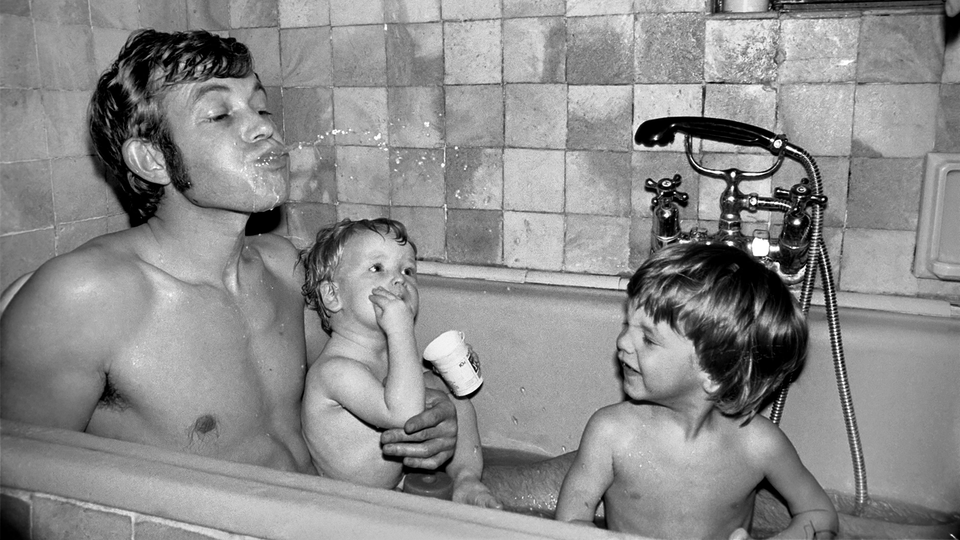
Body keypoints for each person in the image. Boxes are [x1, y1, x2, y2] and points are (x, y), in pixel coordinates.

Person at [0, 29, 459, 483]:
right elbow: (19, 490)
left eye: (260, 107)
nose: (266, 126)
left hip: (320, 510)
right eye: (219, 114)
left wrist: (433, 413)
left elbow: (362, 371)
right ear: (152, 159)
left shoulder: (285, 269)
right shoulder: (84, 298)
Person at [554, 243, 838, 540]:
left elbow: (819, 515)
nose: (623, 341)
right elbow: (567, 524)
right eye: (627, 324)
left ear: (716, 373)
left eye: (648, 339)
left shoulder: (759, 445)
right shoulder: (611, 433)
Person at [299, 218, 500, 507]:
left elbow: (433, 400)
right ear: (333, 295)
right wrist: (401, 330)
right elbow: (404, 416)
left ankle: (467, 479)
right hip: (345, 508)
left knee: (454, 398)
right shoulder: (334, 371)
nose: (399, 279)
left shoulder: (392, 358)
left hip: (395, 491)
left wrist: (455, 375)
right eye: (377, 268)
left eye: (408, 270)